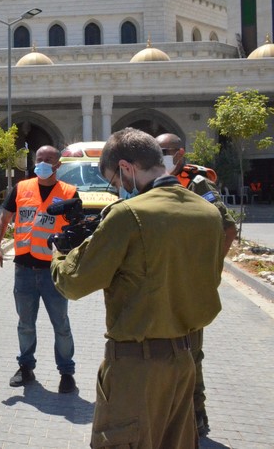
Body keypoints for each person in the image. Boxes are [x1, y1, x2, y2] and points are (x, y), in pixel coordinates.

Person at [52, 128, 224, 448]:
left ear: (127, 168)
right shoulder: (208, 212)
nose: (117, 190)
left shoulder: (128, 214)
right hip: (184, 360)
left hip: (136, 366)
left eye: (115, 182)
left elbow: (73, 283)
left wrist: (61, 251)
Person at [156, 132, 237, 437]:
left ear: (180, 153)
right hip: (165, 280)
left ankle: (197, 415)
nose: (160, 155)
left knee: (190, 352)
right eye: (157, 150)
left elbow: (227, 228)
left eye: (164, 150)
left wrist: (210, 270)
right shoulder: (157, 182)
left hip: (190, 284)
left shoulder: (197, 184)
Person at [0, 145, 79, 393]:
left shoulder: (69, 193)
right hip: (24, 269)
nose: (43, 164)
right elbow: (2, 220)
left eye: (49, 160)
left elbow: (76, 231)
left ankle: (66, 373)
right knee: (25, 323)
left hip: (53, 270)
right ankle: (26, 367)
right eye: (39, 159)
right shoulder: (21, 188)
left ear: (58, 165)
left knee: (61, 325)